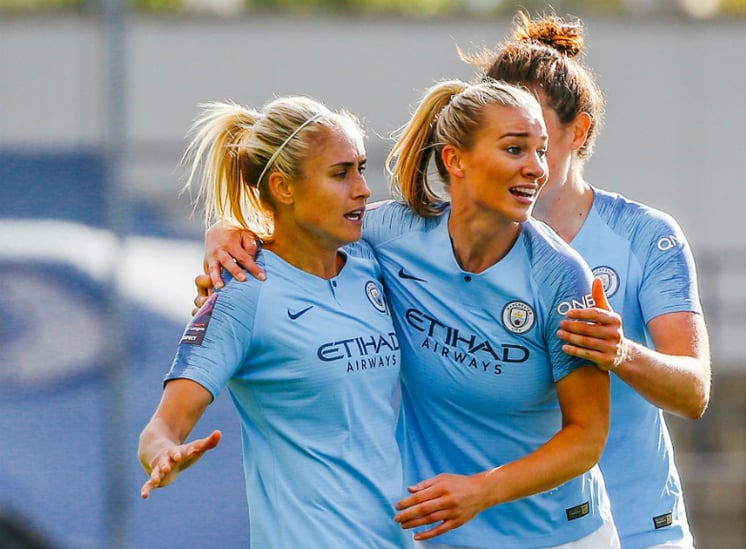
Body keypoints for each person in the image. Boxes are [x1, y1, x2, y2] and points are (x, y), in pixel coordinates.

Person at [197, 80, 619, 548]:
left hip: (556, 537)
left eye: (540, 151)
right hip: (440, 535)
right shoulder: (391, 233)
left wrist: (483, 489)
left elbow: (587, 436)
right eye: (515, 149)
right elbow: (303, 226)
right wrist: (229, 233)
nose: (536, 169)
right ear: (454, 160)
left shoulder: (560, 275)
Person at [463, 12, 713, 549]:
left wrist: (620, 350)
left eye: (536, 135)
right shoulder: (448, 240)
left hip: (639, 528)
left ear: (580, 131)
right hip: (501, 531)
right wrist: (233, 232)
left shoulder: (644, 235)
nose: (522, 154)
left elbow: (694, 390)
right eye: (505, 137)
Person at [137, 96, 411, 548]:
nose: (362, 188)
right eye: (341, 173)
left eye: (361, 168)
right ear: (283, 188)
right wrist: (163, 455)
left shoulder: (370, 260)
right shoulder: (242, 291)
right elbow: (161, 428)